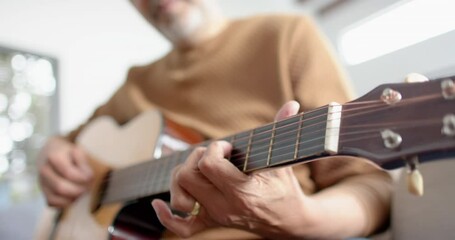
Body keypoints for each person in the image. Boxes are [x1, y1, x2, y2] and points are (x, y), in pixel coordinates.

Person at [37, 0, 391, 239]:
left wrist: (302, 218)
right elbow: (70, 141)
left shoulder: (286, 36)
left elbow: (374, 189)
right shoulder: (136, 83)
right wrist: (50, 151)